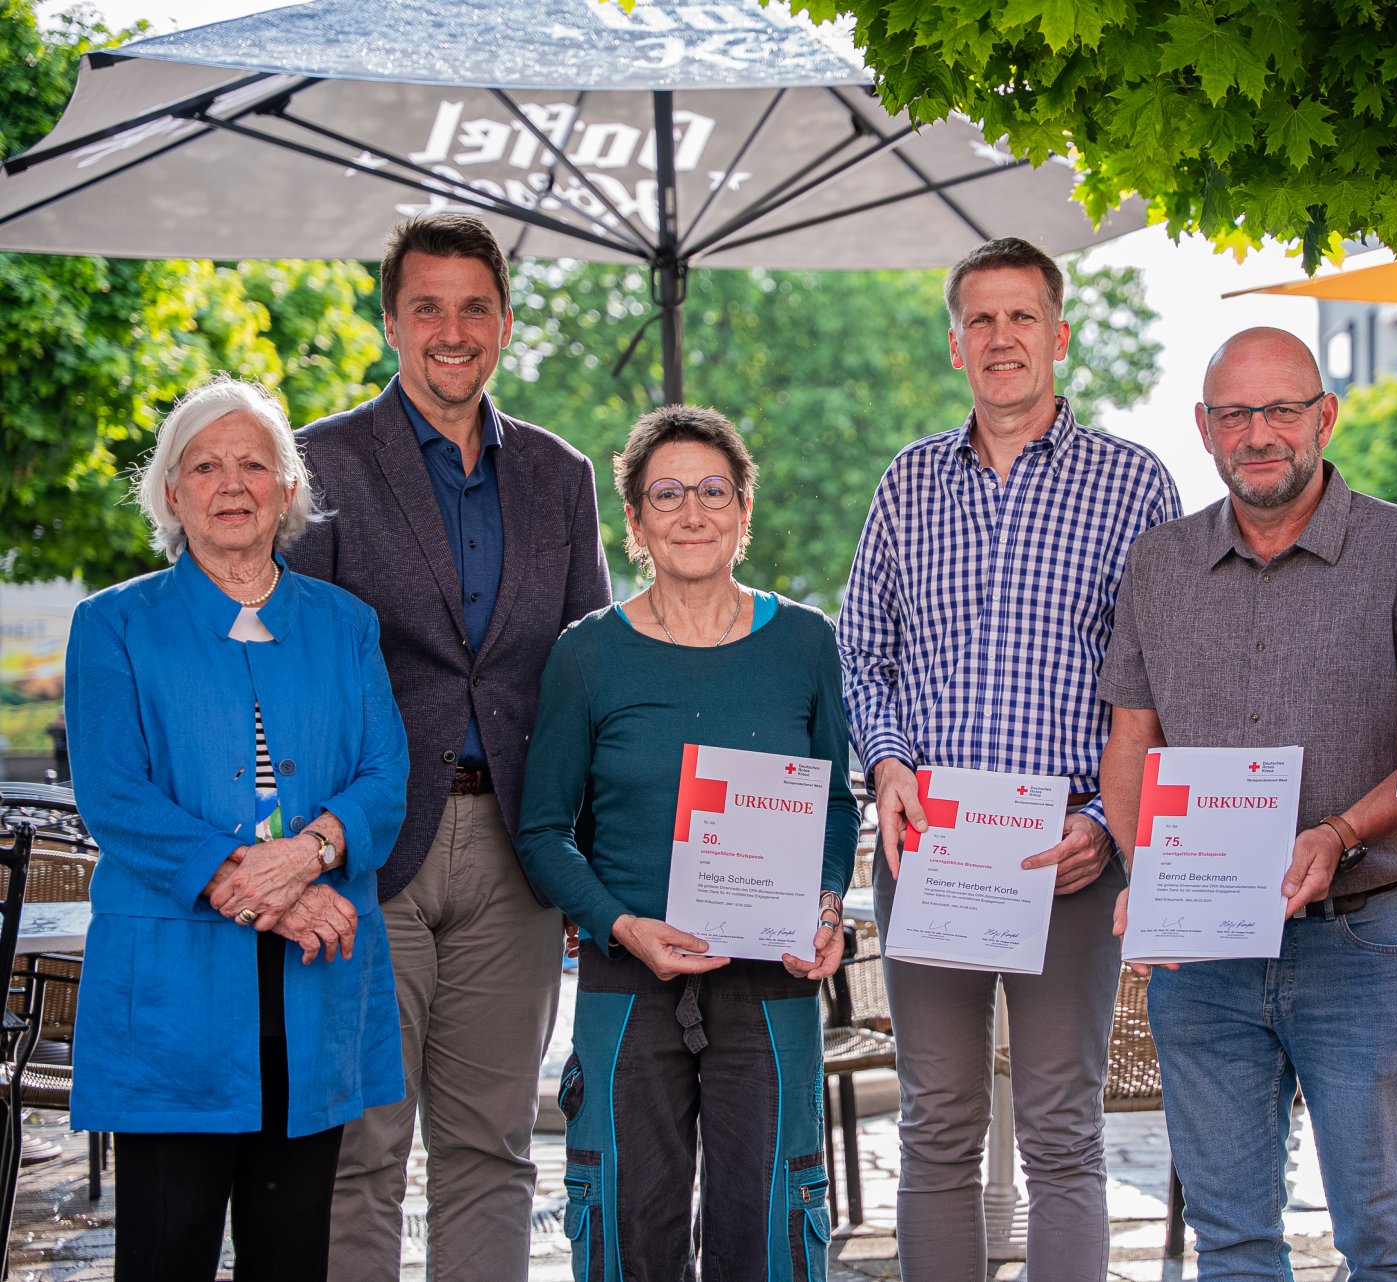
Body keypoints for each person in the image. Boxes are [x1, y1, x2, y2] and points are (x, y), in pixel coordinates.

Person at [839, 236, 1181, 1280]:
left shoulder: (1133, 485)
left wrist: (1113, 825)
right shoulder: (908, 483)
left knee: (1063, 1134)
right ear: (955, 345)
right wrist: (889, 764)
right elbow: (863, 647)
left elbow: (1169, 679)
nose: (1002, 339)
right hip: (931, 850)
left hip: (1070, 854)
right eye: (980, 320)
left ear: (1060, 337)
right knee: (938, 1127)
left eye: (1022, 317)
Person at [285, 213, 612, 1280]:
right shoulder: (323, 461)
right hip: (368, 847)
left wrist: (586, 869)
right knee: (362, 1148)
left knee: (492, 1148)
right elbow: (296, 676)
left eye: (476, 305)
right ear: (391, 322)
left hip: (520, 853)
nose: (452, 328)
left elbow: (587, 674)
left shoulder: (561, 476)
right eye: (427, 305)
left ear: (507, 323)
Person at [1099, 328, 1397, 1280]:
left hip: (1364, 943)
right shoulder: (1158, 565)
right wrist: (1146, 871)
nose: (1259, 434)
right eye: (1235, 414)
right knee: (1233, 1243)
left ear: (1324, 417)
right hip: (1201, 958)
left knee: (1388, 1239)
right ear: (1205, 430)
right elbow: (1132, 740)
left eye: (1282, 410)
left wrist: (1338, 833)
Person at [65, 375, 407, 1281]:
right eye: (204, 465)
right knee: (165, 1251)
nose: (231, 482)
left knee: (292, 1253)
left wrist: (310, 854)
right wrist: (262, 889)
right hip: (174, 991)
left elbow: (385, 777)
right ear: (171, 492)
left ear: (288, 491)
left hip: (315, 986)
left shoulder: (346, 625)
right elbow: (113, 792)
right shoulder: (113, 625)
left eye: (254, 463)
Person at [518, 404, 860, 1280]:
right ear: (633, 521)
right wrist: (619, 924)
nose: (692, 512)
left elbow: (833, 807)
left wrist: (825, 905)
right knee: (630, 1224)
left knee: (776, 1222)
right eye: (666, 494)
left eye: (714, 491)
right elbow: (544, 832)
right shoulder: (587, 654)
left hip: (772, 984)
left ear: (745, 511)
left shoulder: (805, 642)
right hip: (628, 980)